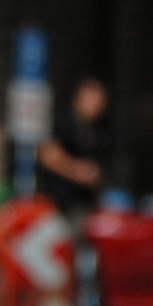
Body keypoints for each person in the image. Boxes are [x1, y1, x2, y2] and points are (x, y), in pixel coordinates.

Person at [38, 77, 110, 225]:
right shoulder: (65, 124)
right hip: (61, 204)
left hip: (85, 204)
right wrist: (79, 172)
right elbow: (48, 155)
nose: (96, 106)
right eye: (92, 101)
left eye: (100, 102)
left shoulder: (100, 129)